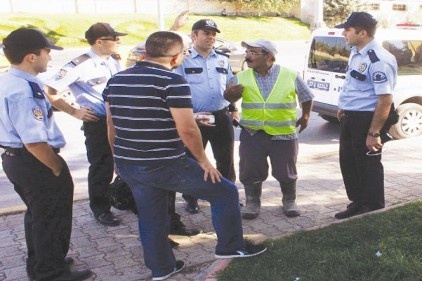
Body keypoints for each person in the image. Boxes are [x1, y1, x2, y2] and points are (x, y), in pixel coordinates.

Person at [104, 31, 267, 281]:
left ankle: (162, 269)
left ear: (147, 52)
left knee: (151, 216)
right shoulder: (172, 81)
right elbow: (188, 130)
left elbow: (112, 125)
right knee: (225, 192)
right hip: (166, 163)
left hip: (130, 163)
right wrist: (203, 162)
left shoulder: (117, 80)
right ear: (176, 56)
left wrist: (118, 159)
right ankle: (232, 247)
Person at [0, 28, 92, 281]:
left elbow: (50, 99)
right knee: (51, 217)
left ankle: (43, 261)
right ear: (31, 57)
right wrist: (54, 166)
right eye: (46, 53)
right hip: (34, 160)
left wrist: (72, 112)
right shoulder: (24, 91)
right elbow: (33, 141)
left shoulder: (14, 79)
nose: (49, 59)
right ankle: (51, 273)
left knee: (38, 215)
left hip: (17, 159)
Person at [44, 22, 128, 226]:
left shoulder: (114, 59)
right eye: (114, 38)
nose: (118, 41)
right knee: (102, 166)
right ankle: (101, 208)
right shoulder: (79, 65)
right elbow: (50, 91)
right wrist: (74, 111)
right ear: (99, 42)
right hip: (98, 122)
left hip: (120, 119)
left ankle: (124, 199)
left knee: (125, 161)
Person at [224, 39, 314, 219]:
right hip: (252, 133)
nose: (248, 56)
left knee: (286, 170)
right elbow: (227, 96)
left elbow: (307, 96)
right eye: (247, 52)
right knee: (250, 169)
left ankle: (289, 200)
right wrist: (230, 95)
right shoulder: (241, 76)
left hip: (283, 134)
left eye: (253, 52)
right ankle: (252, 202)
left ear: (269, 56)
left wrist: (305, 116)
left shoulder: (290, 74)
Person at [333, 12, 398, 219]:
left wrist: (374, 132)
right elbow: (355, 85)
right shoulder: (356, 51)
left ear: (362, 33)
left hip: (367, 120)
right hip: (351, 117)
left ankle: (373, 209)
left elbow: (385, 99)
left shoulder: (378, 59)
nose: (344, 33)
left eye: (348, 29)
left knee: (367, 165)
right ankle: (358, 203)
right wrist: (344, 106)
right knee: (349, 162)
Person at [174, 19, 238, 214]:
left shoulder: (222, 59)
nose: (211, 37)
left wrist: (233, 108)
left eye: (213, 34)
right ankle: (191, 198)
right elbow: (176, 89)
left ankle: (226, 194)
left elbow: (230, 87)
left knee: (225, 159)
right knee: (192, 160)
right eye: (206, 33)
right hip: (194, 118)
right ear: (194, 35)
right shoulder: (183, 59)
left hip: (220, 116)